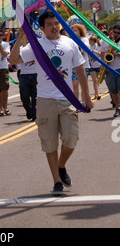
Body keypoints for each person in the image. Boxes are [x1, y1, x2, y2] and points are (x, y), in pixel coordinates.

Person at [9, 11, 93, 196]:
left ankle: (61, 166)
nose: (54, 27)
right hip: (45, 100)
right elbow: (13, 60)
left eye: (56, 23)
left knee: (71, 138)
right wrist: (20, 37)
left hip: (67, 98)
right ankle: (56, 181)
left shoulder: (69, 43)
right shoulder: (37, 46)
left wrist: (86, 96)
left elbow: (79, 69)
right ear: (42, 27)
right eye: (49, 24)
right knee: (49, 143)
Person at [15, 30, 37, 121]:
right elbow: (13, 59)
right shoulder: (20, 48)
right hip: (24, 74)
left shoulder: (36, 48)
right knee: (24, 96)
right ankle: (28, 109)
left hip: (35, 74)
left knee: (35, 95)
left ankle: (34, 113)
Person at [100, 24, 120, 117]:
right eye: (115, 32)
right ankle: (117, 108)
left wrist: (115, 54)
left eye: (118, 33)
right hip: (109, 69)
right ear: (112, 31)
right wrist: (102, 63)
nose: (116, 34)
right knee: (114, 91)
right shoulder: (105, 40)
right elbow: (102, 52)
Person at [70, 24, 91, 102]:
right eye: (73, 30)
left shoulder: (84, 39)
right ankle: (76, 102)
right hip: (73, 66)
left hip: (84, 65)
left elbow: (86, 47)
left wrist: (78, 41)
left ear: (80, 31)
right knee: (75, 84)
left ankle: (84, 101)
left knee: (83, 85)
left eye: (76, 30)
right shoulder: (70, 40)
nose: (74, 31)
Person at [88, 35, 101, 100]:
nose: (89, 41)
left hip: (97, 64)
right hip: (91, 65)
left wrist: (96, 52)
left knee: (97, 81)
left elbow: (101, 53)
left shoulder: (97, 46)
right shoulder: (89, 47)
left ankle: (96, 93)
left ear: (93, 41)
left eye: (90, 40)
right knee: (95, 80)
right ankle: (97, 94)